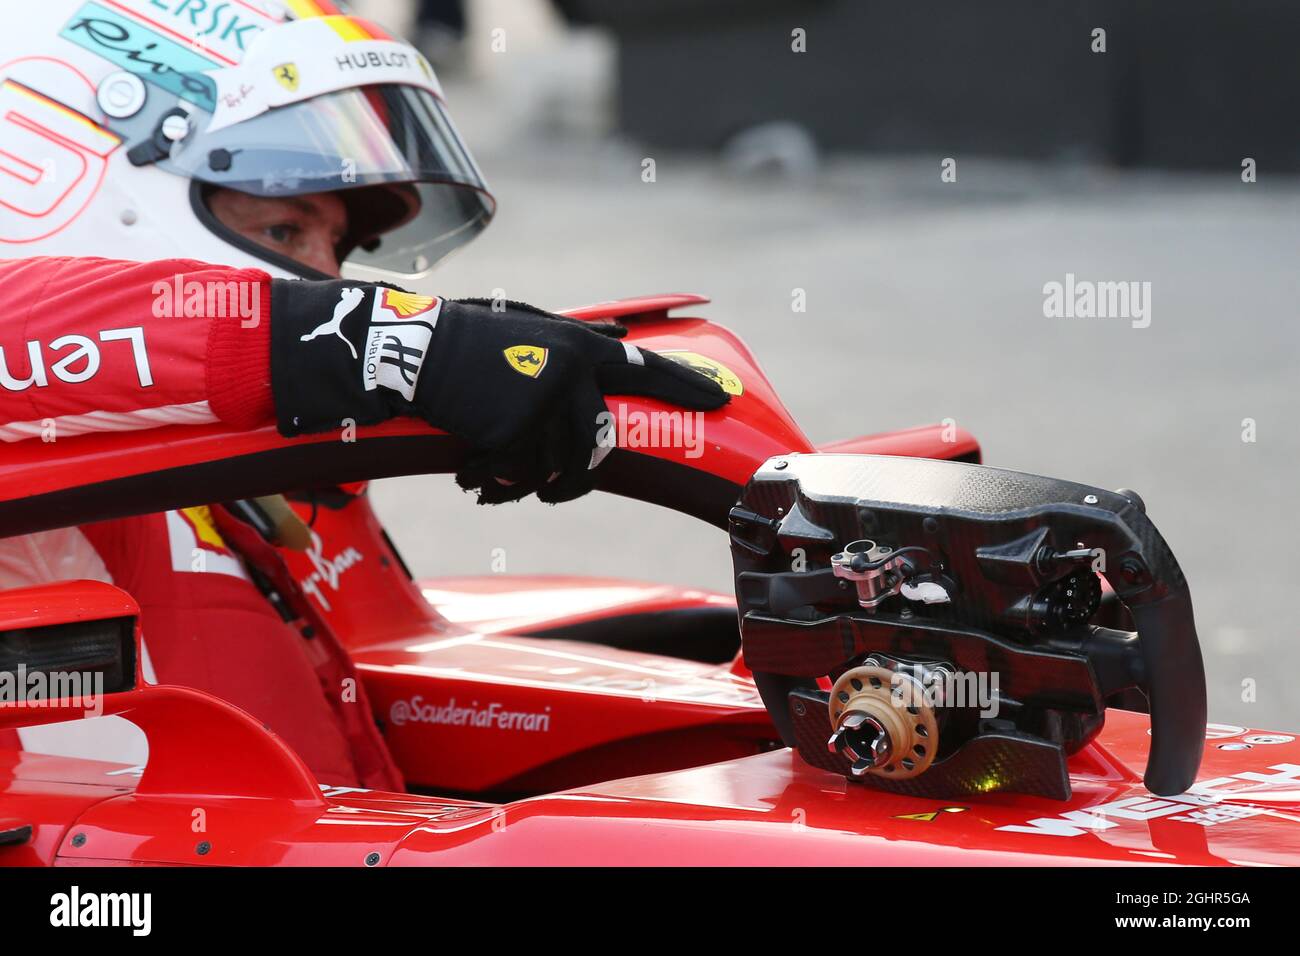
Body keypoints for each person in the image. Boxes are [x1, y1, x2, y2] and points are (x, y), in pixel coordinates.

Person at [0, 2, 727, 787]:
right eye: (285, 229)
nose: (331, 277)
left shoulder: (213, 455)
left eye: (338, 248)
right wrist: (392, 340)